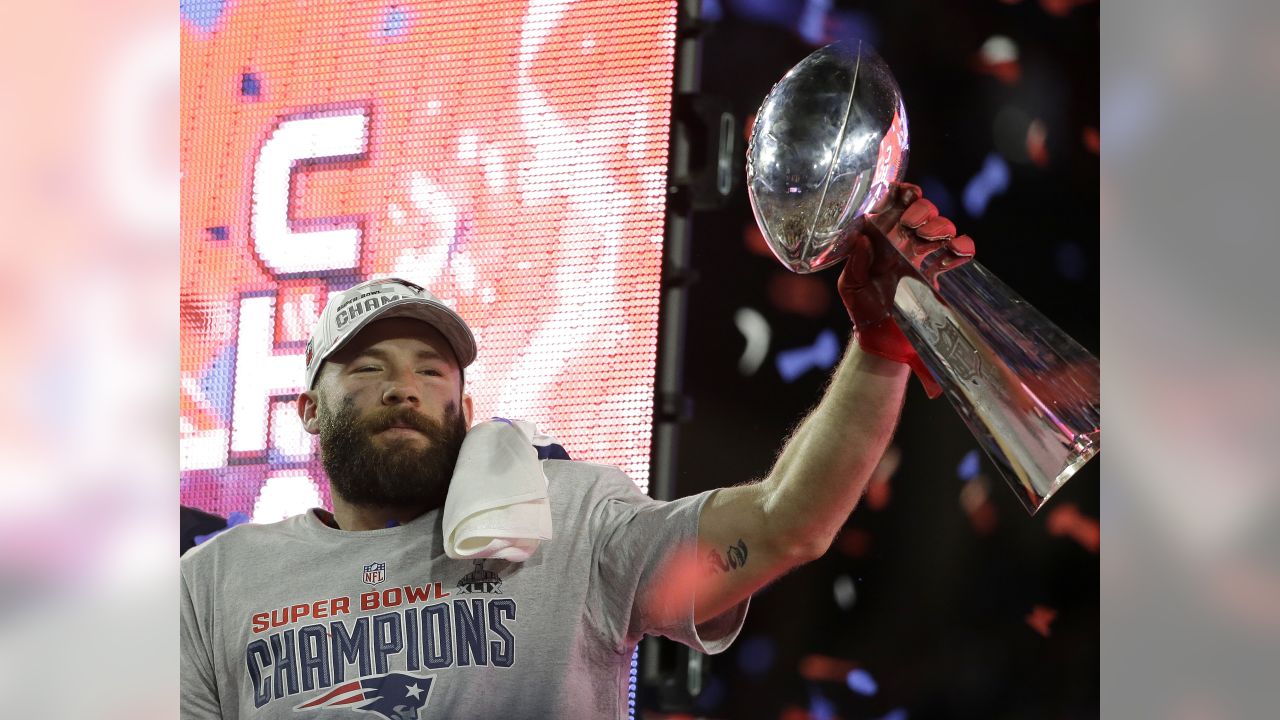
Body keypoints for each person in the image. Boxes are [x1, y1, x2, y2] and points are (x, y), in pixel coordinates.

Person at [180, 183, 972, 719]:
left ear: (465, 405)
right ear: (310, 410)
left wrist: (879, 347)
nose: (404, 389)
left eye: (431, 370)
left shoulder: (572, 522)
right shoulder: (215, 584)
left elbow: (782, 524)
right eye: (368, 370)